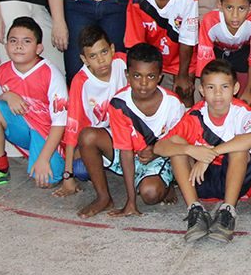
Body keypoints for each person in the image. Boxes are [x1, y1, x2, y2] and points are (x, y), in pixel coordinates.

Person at [74, 43, 186, 217]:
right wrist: (130, 202)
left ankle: (167, 183)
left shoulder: (173, 104)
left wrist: (156, 151)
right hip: (128, 153)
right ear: (127, 75)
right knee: (88, 136)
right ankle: (103, 197)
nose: (143, 83)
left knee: (151, 194)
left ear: (160, 77)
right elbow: (125, 151)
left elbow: (179, 143)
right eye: (136, 76)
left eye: (150, 76)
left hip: (160, 155)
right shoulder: (119, 103)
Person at [155, 60, 251, 242]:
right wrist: (191, 150)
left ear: (235, 88)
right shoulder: (195, 114)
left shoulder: (242, 112)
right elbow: (159, 147)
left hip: (235, 179)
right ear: (202, 90)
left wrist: (210, 155)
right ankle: (195, 210)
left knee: (239, 148)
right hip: (201, 179)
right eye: (211, 88)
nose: (218, 94)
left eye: (224, 87)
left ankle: (227, 212)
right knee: (177, 147)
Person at [0, 17, 67, 190]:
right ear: (6, 46)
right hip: (22, 128)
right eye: (13, 41)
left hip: (48, 134)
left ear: (39, 48)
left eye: (26, 41)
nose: (18, 46)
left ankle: (55, 158)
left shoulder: (51, 73)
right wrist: (7, 96)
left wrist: (43, 159)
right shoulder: (2, 71)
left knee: (47, 181)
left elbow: (60, 123)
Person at [54, 25, 127, 199]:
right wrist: (68, 175)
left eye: (104, 52)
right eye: (93, 56)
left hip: (125, 132)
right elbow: (72, 129)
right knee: (80, 170)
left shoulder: (123, 62)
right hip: (96, 137)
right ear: (84, 59)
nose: (101, 60)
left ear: (112, 49)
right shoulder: (81, 82)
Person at [123, 0, 198, 105]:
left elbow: (187, 40)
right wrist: (145, 73)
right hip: (150, 60)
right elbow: (135, 43)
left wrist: (183, 75)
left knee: (184, 97)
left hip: (181, 60)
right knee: (150, 100)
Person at [195, 0, 251, 108]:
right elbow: (205, 60)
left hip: (242, 52)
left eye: (241, 8)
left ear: (250, 8)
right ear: (220, 5)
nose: (235, 15)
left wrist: (249, 89)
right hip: (217, 54)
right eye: (229, 8)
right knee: (212, 97)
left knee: (246, 101)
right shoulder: (210, 21)